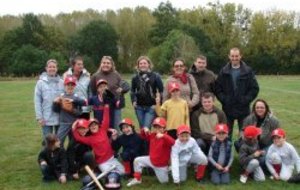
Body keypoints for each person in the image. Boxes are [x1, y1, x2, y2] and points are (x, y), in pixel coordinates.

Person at [215, 47, 259, 139]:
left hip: (243, 108)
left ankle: (244, 153)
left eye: (236, 56)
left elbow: (254, 88)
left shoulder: (248, 71)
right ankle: (227, 153)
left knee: (245, 135)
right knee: (225, 135)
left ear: (240, 56)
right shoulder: (223, 71)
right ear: (229, 57)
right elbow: (218, 88)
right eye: (232, 56)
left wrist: (245, 100)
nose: (234, 58)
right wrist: (224, 99)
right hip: (228, 108)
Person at [72, 104, 125, 176]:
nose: (93, 126)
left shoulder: (103, 130)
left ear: (98, 125)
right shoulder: (89, 139)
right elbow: (78, 138)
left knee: (123, 172)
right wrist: (74, 128)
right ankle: (110, 172)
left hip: (111, 158)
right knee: (109, 175)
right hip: (102, 162)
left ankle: (113, 171)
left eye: (95, 125)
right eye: (91, 126)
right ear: (89, 128)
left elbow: (106, 119)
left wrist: (106, 108)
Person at [127, 117, 175, 187]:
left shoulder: (166, 137)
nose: (157, 129)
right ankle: (137, 179)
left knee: (164, 182)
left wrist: (163, 136)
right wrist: (144, 130)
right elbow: (143, 136)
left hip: (160, 165)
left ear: (164, 128)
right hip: (151, 160)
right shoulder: (153, 135)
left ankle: (168, 170)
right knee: (137, 160)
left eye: (160, 127)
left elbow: (173, 142)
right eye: (156, 127)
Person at [90, 56, 130, 130]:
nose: (106, 65)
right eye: (104, 63)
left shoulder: (116, 75)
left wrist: (123, 89)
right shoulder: (95, 76)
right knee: (101, 127)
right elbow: (93, 91)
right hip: (101, 107)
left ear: (111, 65)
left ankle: (115, 141)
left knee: (116, 127)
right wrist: (96, 103)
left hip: (115, 105)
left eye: (108, 63)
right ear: (101, 64)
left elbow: (124, 85)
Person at [34, 59, 64, 141]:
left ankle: (58, 154)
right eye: (50, 67)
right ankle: (47, 154)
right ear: (46, 68)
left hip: (59, 117)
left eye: (54, 67)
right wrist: (39, 117)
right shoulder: (40, 83)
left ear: (57, 69)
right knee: (48, 142)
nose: (52, 69)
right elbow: (37, 101)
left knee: (59, 141)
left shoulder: (62, 82)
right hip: (46, 118)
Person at [131, 56, 164, 129]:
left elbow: (162, 91)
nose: (143, 65)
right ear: (138, 65)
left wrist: (158, 104)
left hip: (151, 107)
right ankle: (145, 140)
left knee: (146, 128)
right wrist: (133, 100)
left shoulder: (155, 76)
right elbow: (132, 91)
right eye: (141, 63)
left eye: (144, 63)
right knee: (142, 128)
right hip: (139, 107)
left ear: (149, 64)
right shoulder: (135, 77)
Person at [53, 76, 86, 147]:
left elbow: (80, 112)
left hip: (74, 124)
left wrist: (72, 110)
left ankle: (71, 157)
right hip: (64, 123)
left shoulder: (77, 98)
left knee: (73, 144)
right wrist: (55, 103)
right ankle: (61, 156)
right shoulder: (61, 97)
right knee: (59, 141)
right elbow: (56, 110)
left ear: (75, 86)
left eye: (72, 85)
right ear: (65, 86)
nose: (70, 87)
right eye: (68, 85)